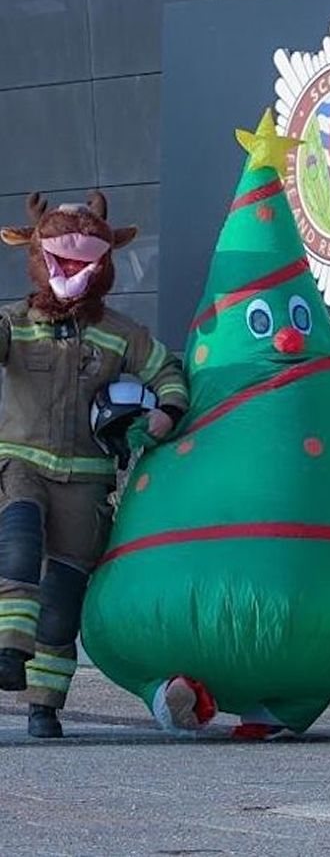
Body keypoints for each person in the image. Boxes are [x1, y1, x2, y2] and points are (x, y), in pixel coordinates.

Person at [0, 191, 187, 738]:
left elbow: (168, 373)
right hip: (21, 465)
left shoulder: (121, 334)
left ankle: (44, 705)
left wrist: (162, 416)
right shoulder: (16, 320)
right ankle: (9, 652)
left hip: (86, 482)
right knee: (18, 542)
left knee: (62, 601)